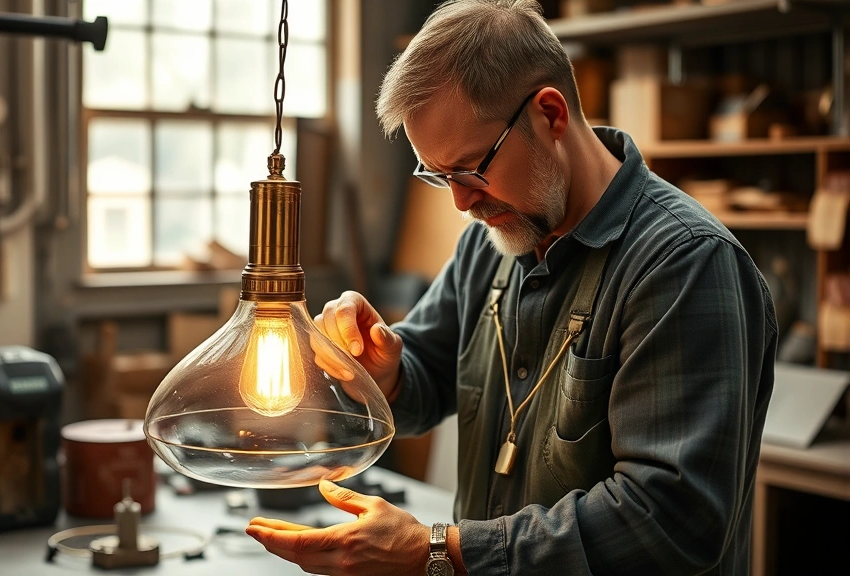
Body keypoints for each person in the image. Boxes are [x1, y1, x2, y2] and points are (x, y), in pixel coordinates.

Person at [245, 0, 777, 574]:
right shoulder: (495, 240)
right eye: (439, 175)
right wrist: (383, 370)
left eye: (471, 168)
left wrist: (437, 552)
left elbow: (671, 521)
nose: (460, 201)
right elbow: (426, 371)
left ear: (550, 114)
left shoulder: (684, 264)